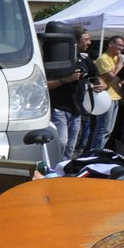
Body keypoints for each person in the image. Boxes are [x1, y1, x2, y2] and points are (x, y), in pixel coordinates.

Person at [46, 28, 96, 160]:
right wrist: (66, 80)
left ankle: (63, 170)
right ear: (76, 42)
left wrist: (100, 85)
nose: (89, 42)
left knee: (70, 146)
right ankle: (53, 167)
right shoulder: (58, 60)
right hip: (60, 109)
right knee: (61, 142)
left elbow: (98, 79)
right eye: (86, 40)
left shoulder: (85, 60)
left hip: (77, 110)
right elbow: (45, 85)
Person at [82, 35, 124, 153]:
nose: (121, 48)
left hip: (116, 97)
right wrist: (120, 65)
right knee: (102, 129)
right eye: (119, 45)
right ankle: (95, 153)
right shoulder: (104, 59)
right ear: (111, 44)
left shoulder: (116, 59)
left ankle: (98, 152)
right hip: (106, 98)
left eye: (123, 46)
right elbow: (113, 78)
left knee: (109, 130)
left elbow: (121, 79)